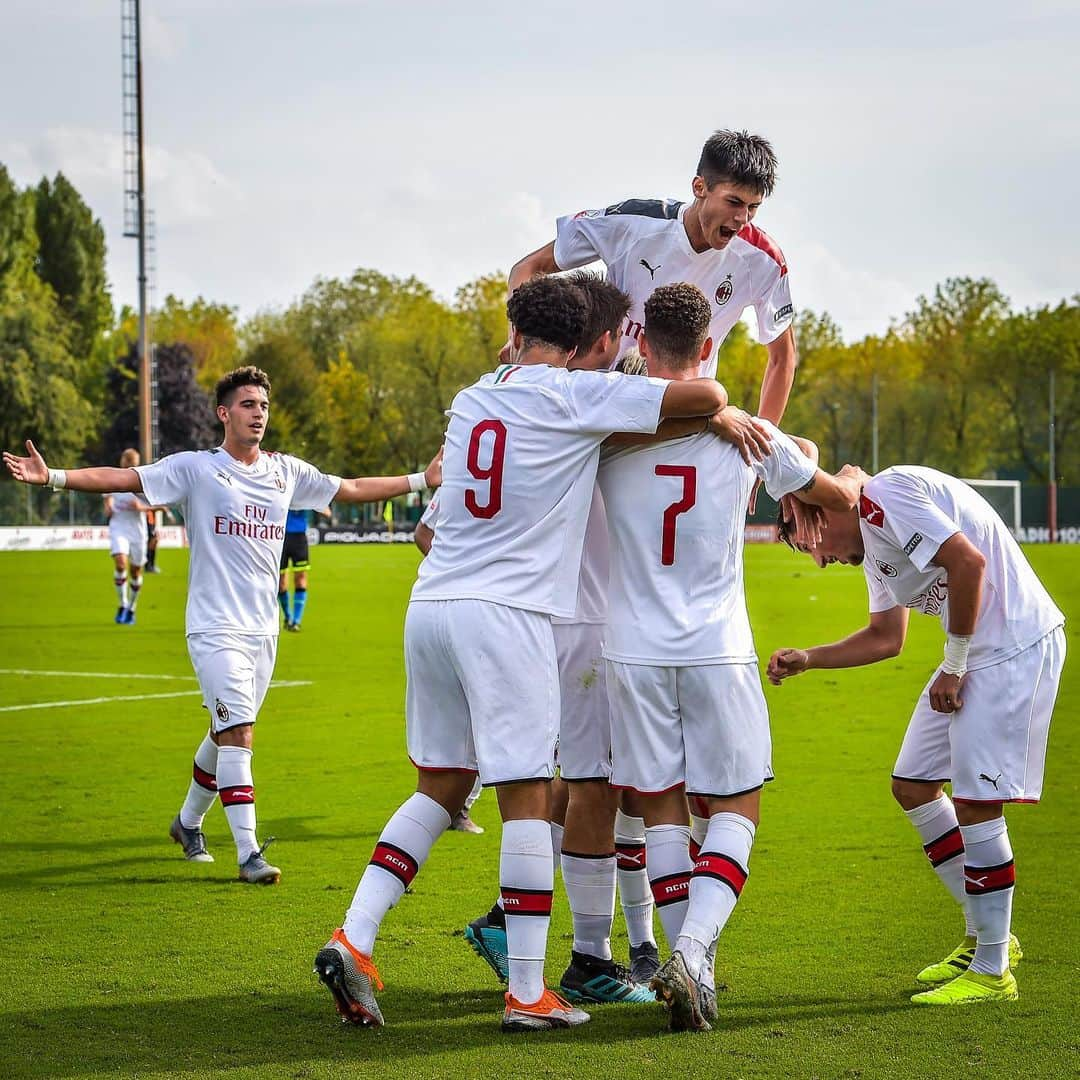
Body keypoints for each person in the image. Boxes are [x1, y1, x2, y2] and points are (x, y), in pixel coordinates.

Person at [312, 275, 728, 1033]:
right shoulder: (572, 394)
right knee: (531, 799)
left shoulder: (472, 398)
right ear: (579, 347)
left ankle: (355, 936)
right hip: (505, 617)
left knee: (441, 785)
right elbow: (703, 397)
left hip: (431, 604)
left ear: (516, 333)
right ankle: (531, 991)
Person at [4, 365, 441, 885]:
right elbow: (125, 478)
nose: (258, 414)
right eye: (248, 405)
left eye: (263, 406)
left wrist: (420, 480)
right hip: (213, 627)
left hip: (264, 629)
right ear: (224, 412)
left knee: (224, 730)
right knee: (239, 732)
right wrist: (52, 477)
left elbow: (349, 487)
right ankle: (249, 852)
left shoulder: (286, 471)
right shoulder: (195, 468)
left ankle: (187, 823)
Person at [597, 284, 865, 1030]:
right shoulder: (749, 437)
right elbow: (836, 500)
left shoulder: (608, 428)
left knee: (661, 805)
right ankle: (698, 951)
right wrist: (833, 477)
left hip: (632, 648)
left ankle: (683, 958)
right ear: (709, 350)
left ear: (642, 344)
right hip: (716, 647)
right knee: (737, 802)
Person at [768, 465, 1065, 1005]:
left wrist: (954, 664)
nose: (821, 559)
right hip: (978, 652)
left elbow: (967, 562)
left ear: (825, 511)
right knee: (913, 784)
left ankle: (993, 969)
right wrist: (809, 659)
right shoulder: (871, 533)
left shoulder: (885, 497)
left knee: (978, 803)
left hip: (1010, 647)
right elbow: (886, 638)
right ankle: (983, 939)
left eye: (813, 543)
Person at [508, 129, 796, 421]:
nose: (742, 219)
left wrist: (764, 441)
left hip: (685, 413)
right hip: (606, 406)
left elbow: (783, 358)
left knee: (803, 451)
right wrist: (519, 344)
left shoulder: (764, 261)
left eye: (753, 208)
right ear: (700, 187)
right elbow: (529, 268)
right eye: (733, 202)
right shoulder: (634, 223)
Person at [103, 448, 170, 625]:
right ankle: (123, 604)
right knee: (120, 563)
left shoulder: (142, 483)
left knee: (135, 571)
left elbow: (157, 504)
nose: (129, 465)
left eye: (132, 463)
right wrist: (108, 507)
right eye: (127, 462)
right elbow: (108, 499)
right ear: (122, 461)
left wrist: (143, 508)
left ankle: (132, 607)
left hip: (138, 532)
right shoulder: (113, 479)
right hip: (118, 527)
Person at [279, 506, 328, 632]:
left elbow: (327, 512)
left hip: (299, 538)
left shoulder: (303, 491)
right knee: (281, 582)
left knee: (300, 578)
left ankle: (296, 621)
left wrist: (318, 504)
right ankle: (288, 616)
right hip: (280, 536)